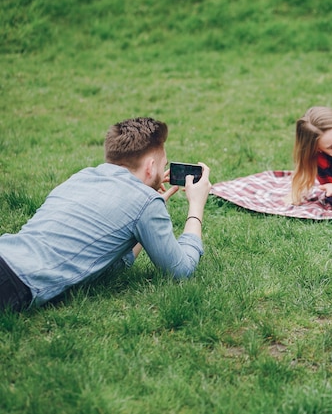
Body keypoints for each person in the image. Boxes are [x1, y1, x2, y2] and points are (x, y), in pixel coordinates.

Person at [0, 117, 212, 311]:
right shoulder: (144, 202)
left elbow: (106, 263)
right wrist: (196, 205)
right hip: (14, 281)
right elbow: (180, 270)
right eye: (163, 164)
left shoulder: (81, 177)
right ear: (151, 167)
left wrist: (144, 223)